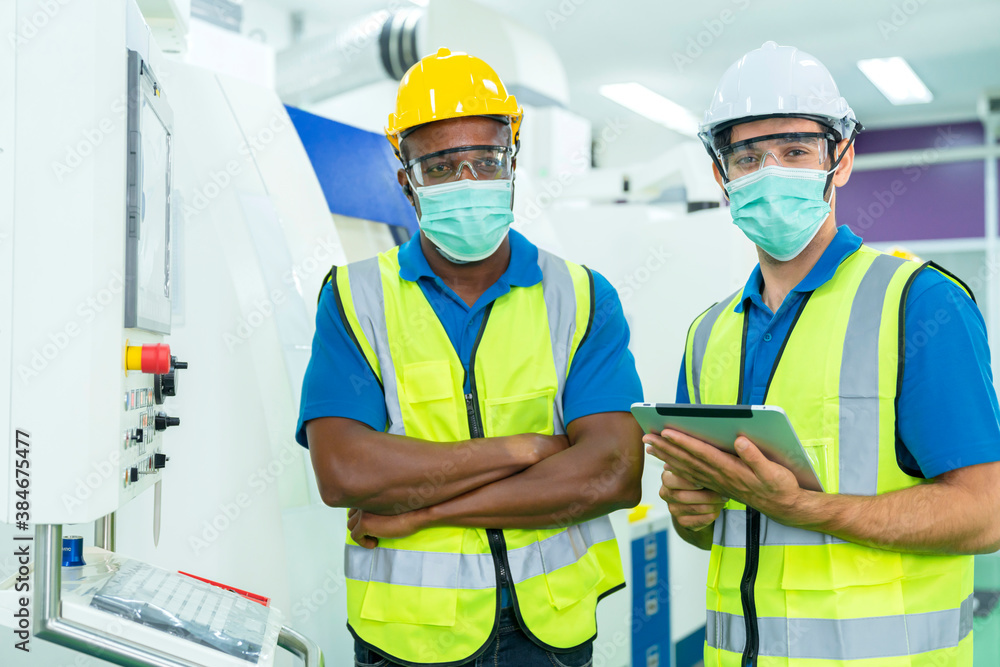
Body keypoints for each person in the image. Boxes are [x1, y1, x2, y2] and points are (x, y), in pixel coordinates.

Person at [645, 41, 1000, 666]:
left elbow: (985, 513)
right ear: (721, 175)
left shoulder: (920, 303)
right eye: (747, 156)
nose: (771, 172)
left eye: (795, 151)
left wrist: (803, 507)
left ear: (841, 161)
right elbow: (705, 532)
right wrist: (689, 510)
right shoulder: (708, 335)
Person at [296, 47, 644, 667]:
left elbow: (613, 473)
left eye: (486, 160)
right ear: (406, 180)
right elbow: (346, 473)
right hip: (408, 641)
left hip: (551, 635)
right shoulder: (352, 299)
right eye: (442, 165)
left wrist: (424, 507)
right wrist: (528, 449)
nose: (467, 181)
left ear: (512, 162)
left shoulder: (584, 296)